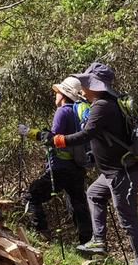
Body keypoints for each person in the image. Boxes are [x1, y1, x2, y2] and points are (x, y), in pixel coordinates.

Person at [53, 61, 138, 265]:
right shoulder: (108, 102)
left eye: (86, 83)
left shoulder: (102, 105)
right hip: (113, 172)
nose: (83, 88)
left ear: (96, 85)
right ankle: (99, 240)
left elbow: (86, 135)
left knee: (128, 220)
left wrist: (58, 140)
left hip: (121, 172)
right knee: (94, 193)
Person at [23, 75, 92, 243]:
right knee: (77, 205)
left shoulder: (63, 111)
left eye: (58, 92)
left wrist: (28, 132)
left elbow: (52, 140)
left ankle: (41, 233)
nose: (55, 95)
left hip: (60, 167)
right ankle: (88, 243)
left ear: (63, 95)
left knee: (31, 195)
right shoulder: (78, 112)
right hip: (77, 166)